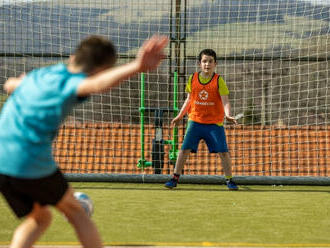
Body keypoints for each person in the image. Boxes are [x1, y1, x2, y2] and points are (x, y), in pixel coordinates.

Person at [0, 34, 168, 248]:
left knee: (40, 217)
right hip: (27, 160)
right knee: (76, 212)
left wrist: (20, 84)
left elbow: (9, 84)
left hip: (1, 160)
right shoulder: (71, 83)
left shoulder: (42, 75)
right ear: (102, 69)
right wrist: (137, 66)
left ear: (73, 57)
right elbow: (97, 84)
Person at [164, 48, 238, 190]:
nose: (207, 64)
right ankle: (174, 178)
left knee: (223, 152)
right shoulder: (192, 79)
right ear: (199, 63)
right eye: (204, 61)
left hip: (214, 124)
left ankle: (229, 180)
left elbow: (225, 101)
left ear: (215, 64)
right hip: (195, 122)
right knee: (184, 150)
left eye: (210, 61)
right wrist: (180, 116)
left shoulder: (218, 81)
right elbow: (189, 100)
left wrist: (228, 114)